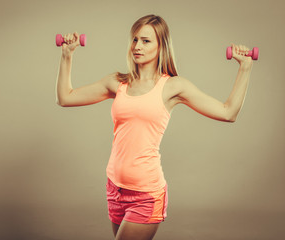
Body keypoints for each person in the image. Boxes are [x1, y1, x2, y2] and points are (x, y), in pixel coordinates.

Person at [55, 14, 253, 240]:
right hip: (115, 189)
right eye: (135, 40)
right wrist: (66, 55)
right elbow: (65, 98)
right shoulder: (118, 82)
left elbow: (228, 112)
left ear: (161, 46)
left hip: (146, 194)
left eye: (146, 41)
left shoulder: (172, 87)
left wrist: (245, 68)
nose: (137, 46)